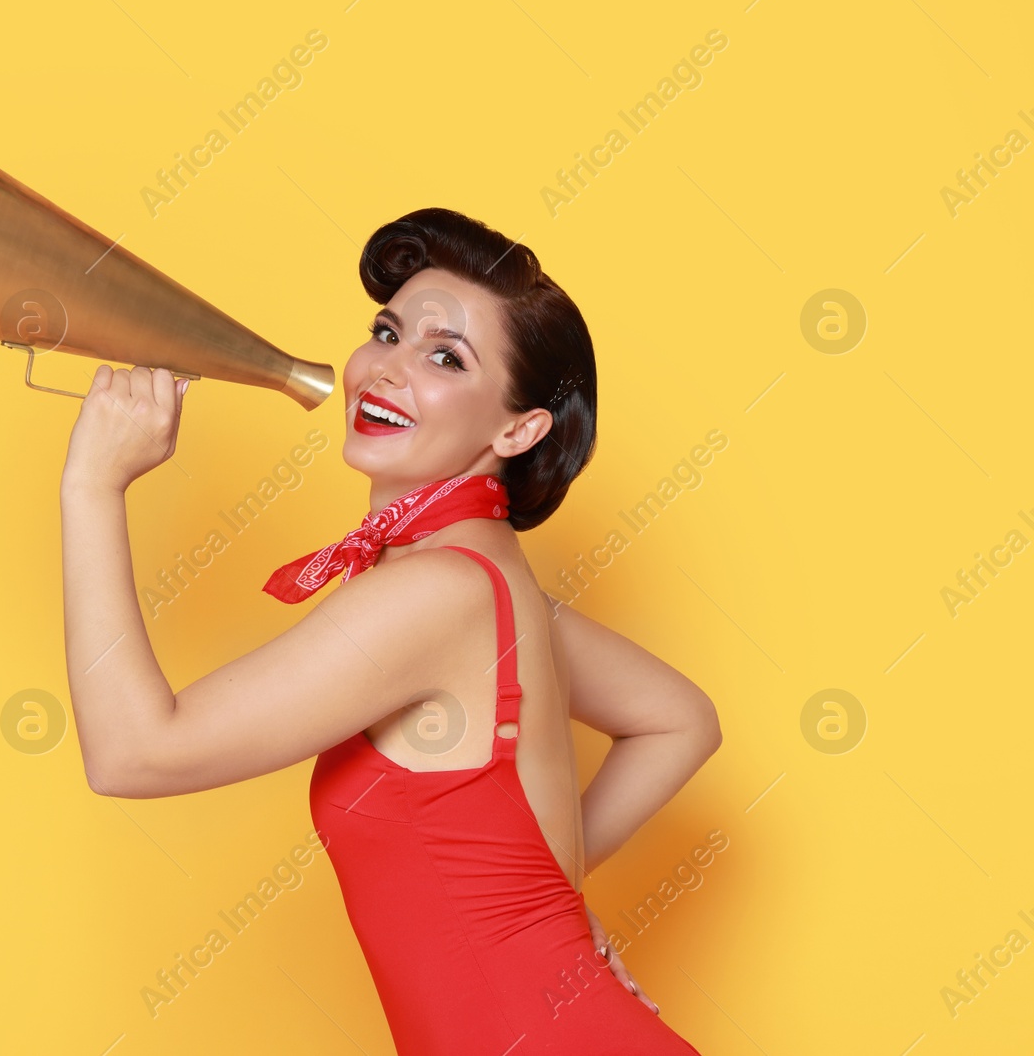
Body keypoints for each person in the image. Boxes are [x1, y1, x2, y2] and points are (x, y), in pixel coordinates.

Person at [60, 207, 721, 1053]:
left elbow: (133, 751)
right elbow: (680, 716)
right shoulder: (484, 582)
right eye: (387, 332)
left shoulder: (437, 595)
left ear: (518, 429)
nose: (386, 370)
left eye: (445, 356)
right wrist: (541, 900)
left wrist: (92, 486)